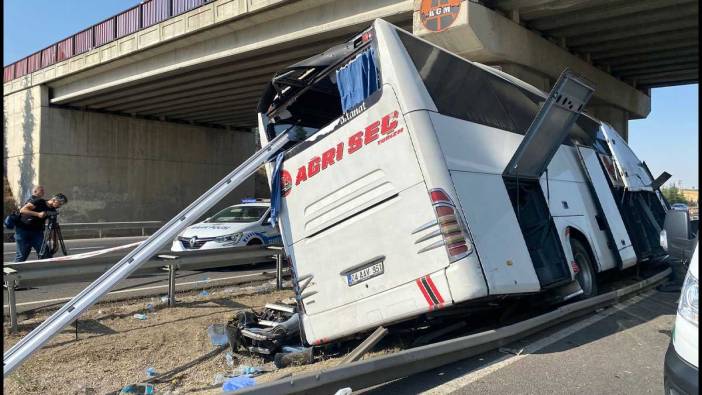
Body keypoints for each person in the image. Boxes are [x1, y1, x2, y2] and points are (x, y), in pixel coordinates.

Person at [15, 193, 68, 262]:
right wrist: (38, 214)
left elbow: (52, 227)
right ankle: (12, 271)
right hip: (23, 230)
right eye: (60, 203)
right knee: (22, 255)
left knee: (45, 254)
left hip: (37, 232)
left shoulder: (53, 211)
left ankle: (47, 271)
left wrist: (55, 243)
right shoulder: (39, 201)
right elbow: (22, 210)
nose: (60, 206)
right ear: (55, 200)